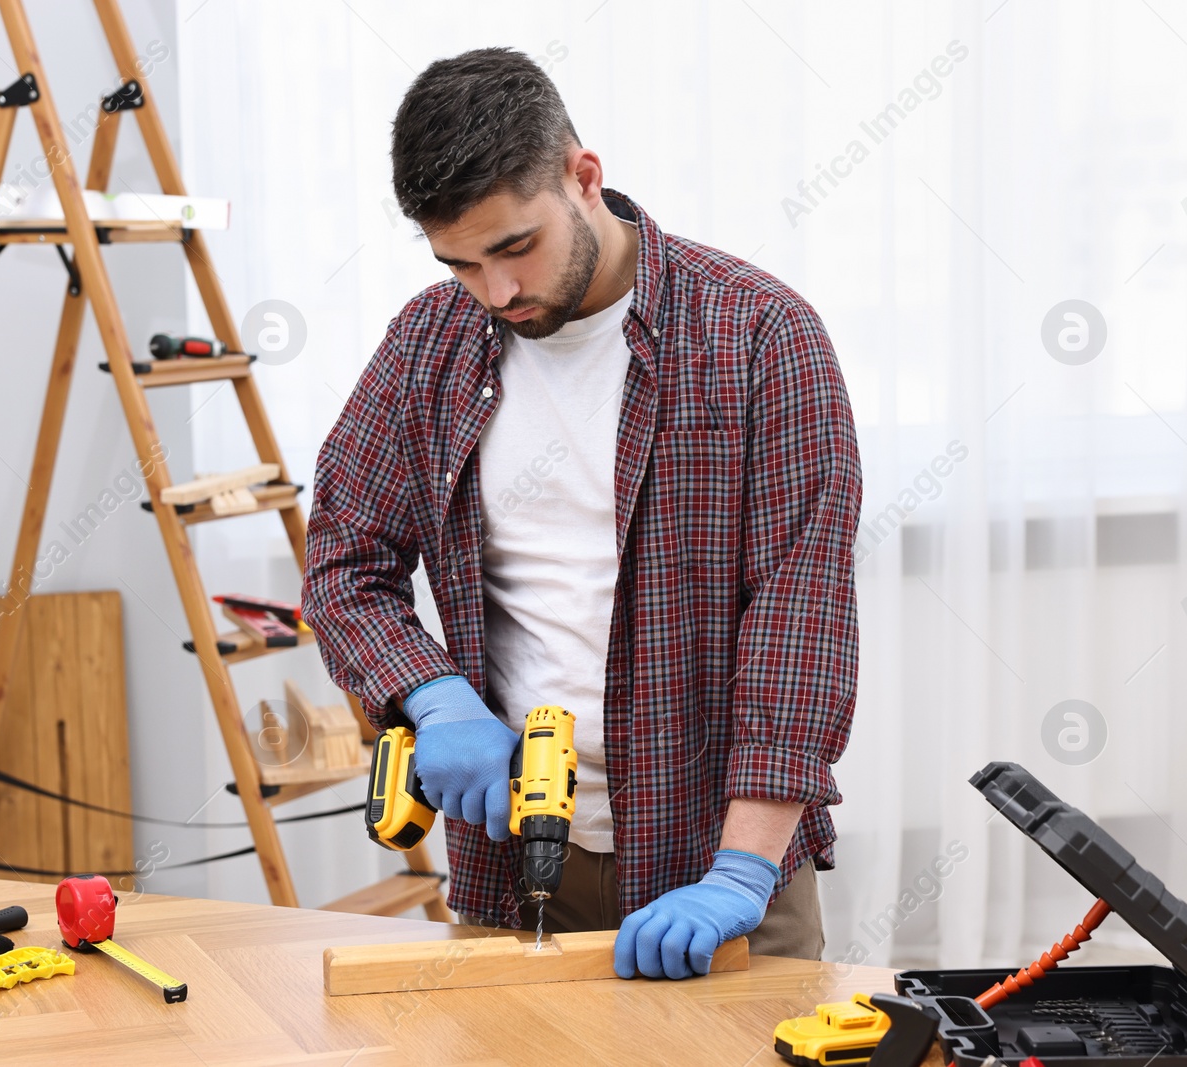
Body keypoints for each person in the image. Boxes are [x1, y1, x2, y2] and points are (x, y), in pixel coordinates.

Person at [302, 47, 861, 979]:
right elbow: (343, 564)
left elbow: (798, 623)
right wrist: (433, 698)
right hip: (511, 865)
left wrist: (741, 870)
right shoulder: (427, 345)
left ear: (583, 177)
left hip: (719, 872)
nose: (498, 293)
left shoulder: (760, 336)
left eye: (516, 247)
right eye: (462, 264)